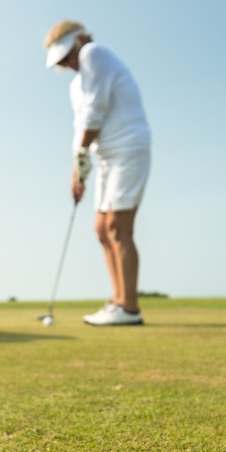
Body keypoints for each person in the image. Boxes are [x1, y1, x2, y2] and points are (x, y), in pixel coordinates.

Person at [43, 21, 152, 326]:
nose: (68, 63)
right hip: (103, 157)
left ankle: (129, 307)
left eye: (67, 55)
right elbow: (80, 128)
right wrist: (77, 173)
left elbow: (96, 112)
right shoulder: (74, 85)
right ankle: (118, 300)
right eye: (62, 60)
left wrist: (81, 164)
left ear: (78, 41)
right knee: (101, 229)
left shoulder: (94, 53)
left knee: (118, 226)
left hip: (128, 148)